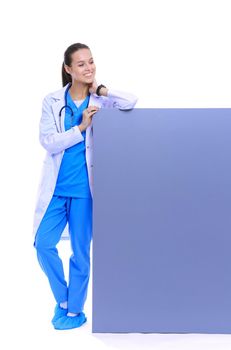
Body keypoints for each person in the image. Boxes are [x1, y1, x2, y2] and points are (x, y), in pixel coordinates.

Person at [33, 42, 138, 330]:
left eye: (91, 61)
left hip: (84, 192)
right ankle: (64, 300)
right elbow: (48, 142)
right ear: (68, 69)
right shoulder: (52, 101)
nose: (88, 67)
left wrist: (101, 91)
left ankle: (74, 311)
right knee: (43, 244)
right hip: (56, 189)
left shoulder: (101, 103)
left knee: (81, 252)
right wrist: (79, 128)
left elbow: (131, 101)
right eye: (81, 64)